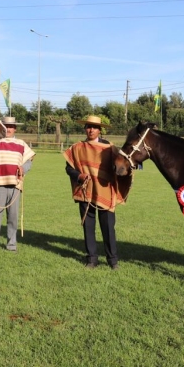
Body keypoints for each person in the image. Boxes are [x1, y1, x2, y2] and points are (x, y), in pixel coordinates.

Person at [63, 115, 132, 270]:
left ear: (100, 130)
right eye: (88, 126)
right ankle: (92, 259)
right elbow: (68, 168)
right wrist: (78, 176)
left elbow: (121, 167)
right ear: (85, 129)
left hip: (105, 193)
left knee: (108, 228)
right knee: (88, 227)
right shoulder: (77, 148)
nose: (91, 130)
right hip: (85, 192)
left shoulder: (110, 148)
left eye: (94, 127)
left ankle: (112, 261)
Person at [0, 116, 35, 253]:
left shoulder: (21, 144)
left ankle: (11, 244)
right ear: (2, 128)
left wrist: (24, 168)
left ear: (15, 128)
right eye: (6, 126)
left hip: (15, 184)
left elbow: (29, 160)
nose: (8, 129)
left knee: (13, 217)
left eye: (11, 126)